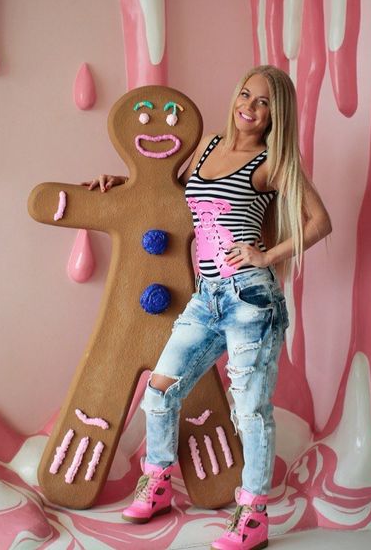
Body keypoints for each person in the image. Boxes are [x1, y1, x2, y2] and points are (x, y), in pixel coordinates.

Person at [83, 65, 332, 550]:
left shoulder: (272, 161)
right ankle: (157, 484)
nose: (250, 107)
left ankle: (253, 518)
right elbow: (181, 197)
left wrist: (267, 255)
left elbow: (319, 221)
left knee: (250, 411)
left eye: (263, 102)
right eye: (246, 95)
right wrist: (123, 183)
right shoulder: (210, 145)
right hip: (206, 296)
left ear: (276, 114)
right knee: (160, 388)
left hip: (250, 300)